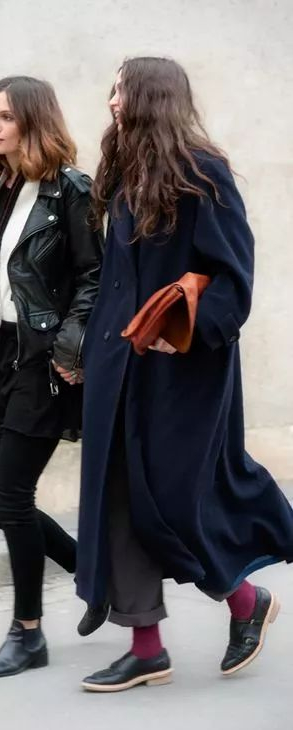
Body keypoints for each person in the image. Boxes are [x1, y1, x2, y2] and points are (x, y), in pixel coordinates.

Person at [75, 56, 293, 692]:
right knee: (119, 500)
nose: (111, 101)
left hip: (181, 373)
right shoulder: (121, 171)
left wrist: (187, 333)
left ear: (149, 97)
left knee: (175, 500)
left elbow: (234, 279)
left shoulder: (203, 173)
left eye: (119, 90)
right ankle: (146, 648)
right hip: (118, 364)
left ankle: (246, 601)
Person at [0, 76, 103, 680]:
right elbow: (2, 275)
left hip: (46, 360)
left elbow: (94, 276)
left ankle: (28, 633)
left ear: (35, 121)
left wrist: (70, 344)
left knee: (11, 496)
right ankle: (94, 572)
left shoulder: (71, 191)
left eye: (7, 116)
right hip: (3, 351)